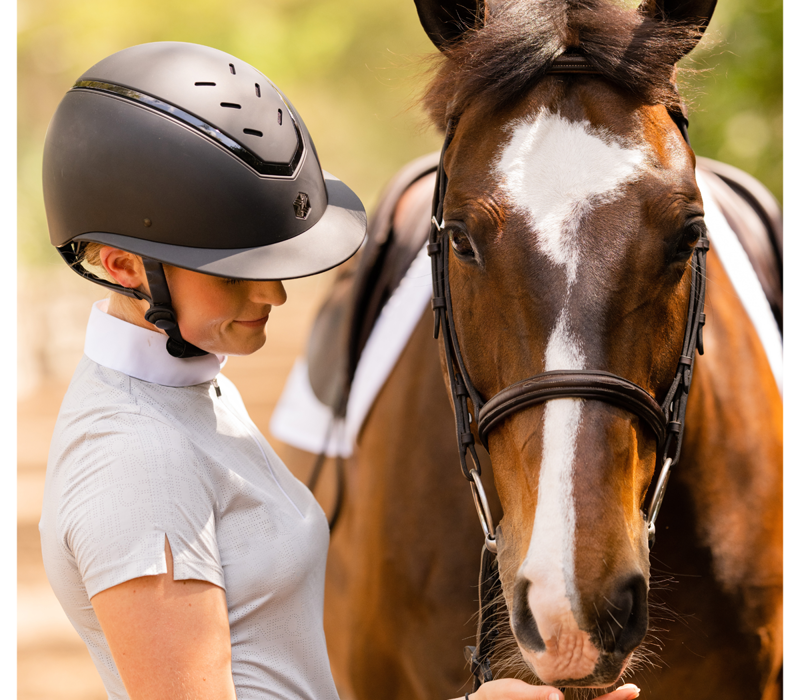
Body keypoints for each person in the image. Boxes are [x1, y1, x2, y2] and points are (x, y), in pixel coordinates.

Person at [38, 41, 640, 700]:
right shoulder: (136, 465)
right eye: (236, 271)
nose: (273, 297)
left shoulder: (186, 391)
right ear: (122, 265)